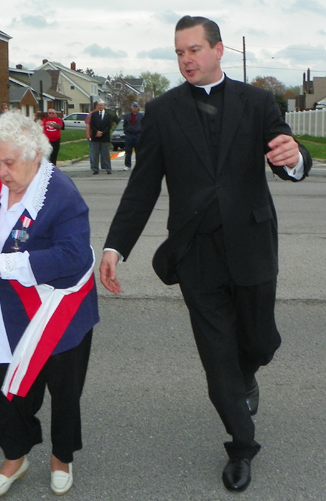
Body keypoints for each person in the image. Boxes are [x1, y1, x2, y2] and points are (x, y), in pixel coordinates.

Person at [99, 15, 312, 493]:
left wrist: (294, 159)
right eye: (178, 52)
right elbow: (143, 186)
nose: (185, 60)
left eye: (193, 49)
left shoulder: (257, 102)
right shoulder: (162, 111)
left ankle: (247, 375)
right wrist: (115, 246)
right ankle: (241, 445)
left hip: (253, 246)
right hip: (196, 253)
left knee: (258, 343)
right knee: (217, 361)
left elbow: (288, 154)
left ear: (219, 51)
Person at [0, 111, 99, 499]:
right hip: (11, 309)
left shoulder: (61, 193)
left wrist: (5, 263)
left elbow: (74, 255)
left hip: (59, 311)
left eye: (9, 162)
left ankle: (61, 457)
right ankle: (15, 456)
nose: (1, 171)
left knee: (64, 390)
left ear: (35, 155)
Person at [90, 99, 113, 174]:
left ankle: (108, 169)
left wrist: (102, 133)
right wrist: (97, 132)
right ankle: (95, 169)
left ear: (104, 106)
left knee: (106, 154)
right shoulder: (94, 114)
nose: (100, 106)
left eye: (102, 105)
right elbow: (92, 125)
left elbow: (109, 126)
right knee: (95, 154)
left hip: (105, 137)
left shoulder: (109, 115)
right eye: (99, 105)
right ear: (97, 106)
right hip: (95, 137)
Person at [122, 102, 144, 171]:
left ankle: (138, 165)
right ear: (131, 107)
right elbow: (125, 125)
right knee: (128, 151)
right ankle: (127, 165)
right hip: (129, 135)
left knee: (138, 151)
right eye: (134, 106)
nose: (135, 108)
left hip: (138, 135)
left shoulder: (141, 116)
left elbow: (144, 124)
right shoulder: (127, 116)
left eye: (136, 106)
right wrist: (126, 132)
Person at [85, 101, 99, 171]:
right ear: (96, 106)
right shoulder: (91, 115)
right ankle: (93, 165)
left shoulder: (101, 114)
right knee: (93, 151)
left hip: (100, 136)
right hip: (92, 136)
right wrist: (88, 134)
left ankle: (101, 165)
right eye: (99, 105)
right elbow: (88, 125)